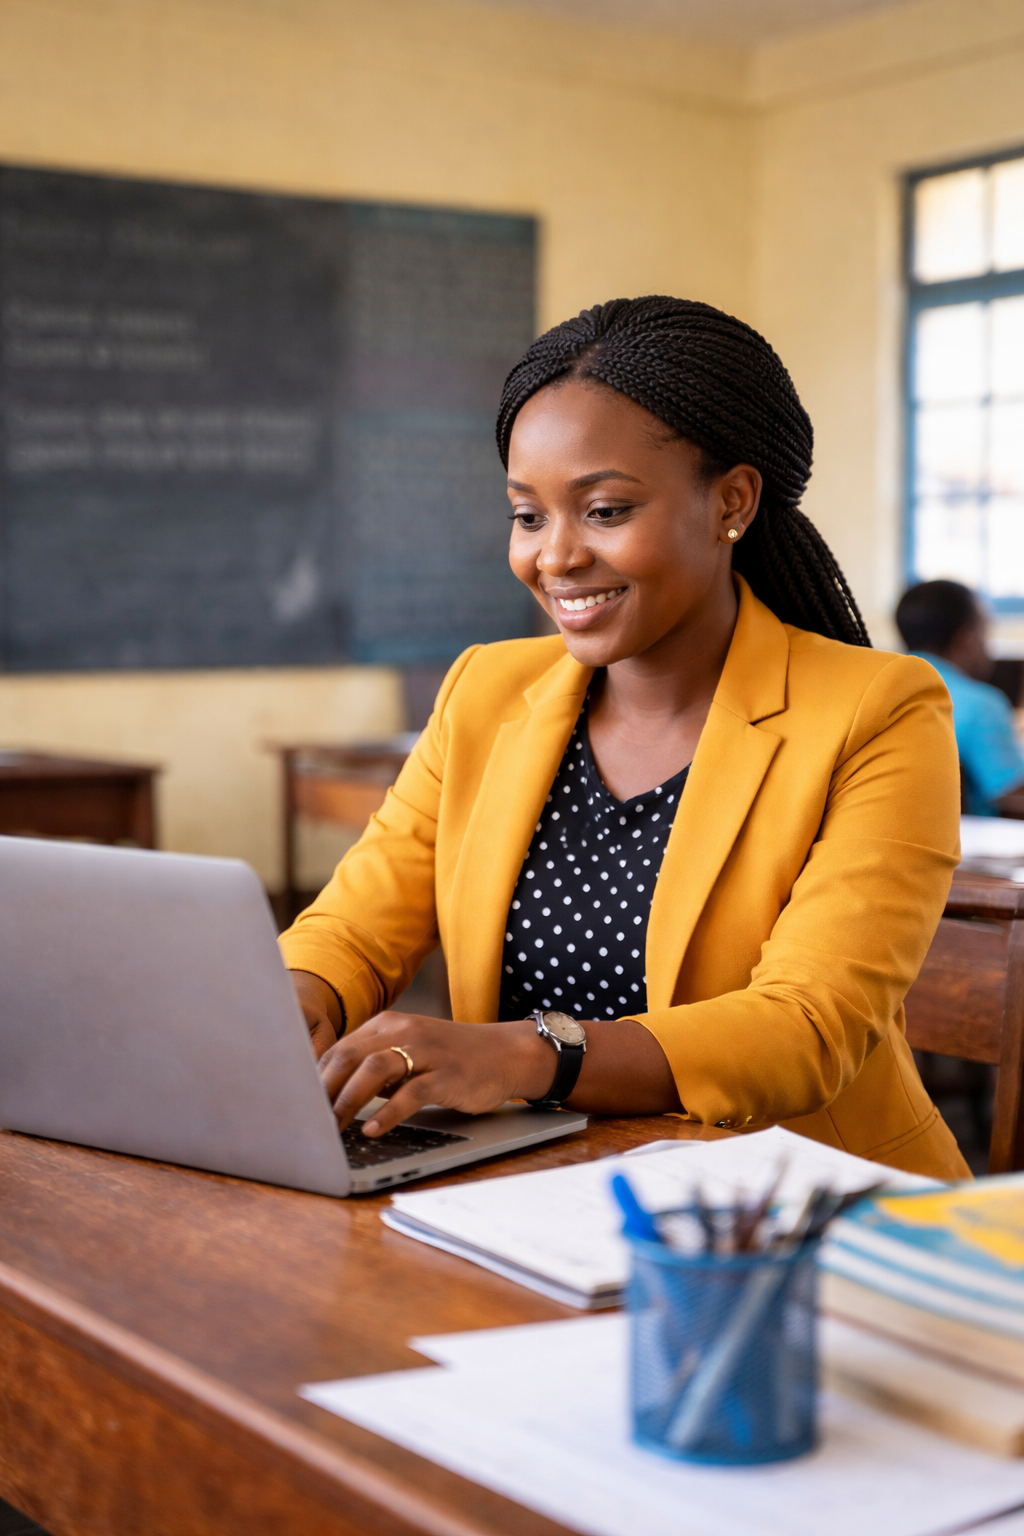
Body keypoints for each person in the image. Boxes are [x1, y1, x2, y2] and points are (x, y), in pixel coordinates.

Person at [280, 296, 968, 1179]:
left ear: (732, 501)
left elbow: (807, 1026)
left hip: (795, 1204)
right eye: (528, 515)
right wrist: (299, 996)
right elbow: (356, 926)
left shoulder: (880, 710)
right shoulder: (486, 691)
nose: (554, 557)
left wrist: (527, 1055)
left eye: (604, 510)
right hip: (530, 1192)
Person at [895, 579, 1024, 818]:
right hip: (970, 838)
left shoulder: (879, 694)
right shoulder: (981, 705)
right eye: (986, 631)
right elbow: (1013, 796)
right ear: (966, 638)